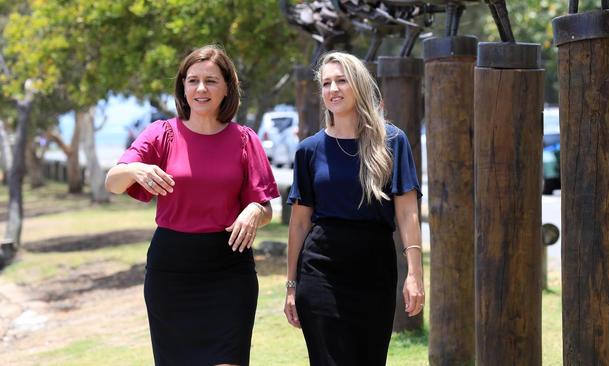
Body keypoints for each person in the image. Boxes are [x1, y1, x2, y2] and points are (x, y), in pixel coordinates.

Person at [105, 45, 279, 366]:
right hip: (171, 271)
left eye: (211, 81)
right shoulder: (161, 134)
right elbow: (113, 182)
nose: (201, 89)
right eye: (193, 80)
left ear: (227, 87)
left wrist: (255, 210)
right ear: (182, 87)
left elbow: (265, 208)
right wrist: (134, 169)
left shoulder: (245, 139)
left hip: (230, 269)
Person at [283, 51, 425, 365]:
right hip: (320, 269)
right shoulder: (309, 150)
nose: (333, 89)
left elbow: (407, 212)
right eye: (326, 83)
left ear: (358, 85)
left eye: (341, 81)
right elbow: (299, 224)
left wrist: (415, 274)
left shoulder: (392, 142)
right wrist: (292, 285)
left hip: (375, 270)